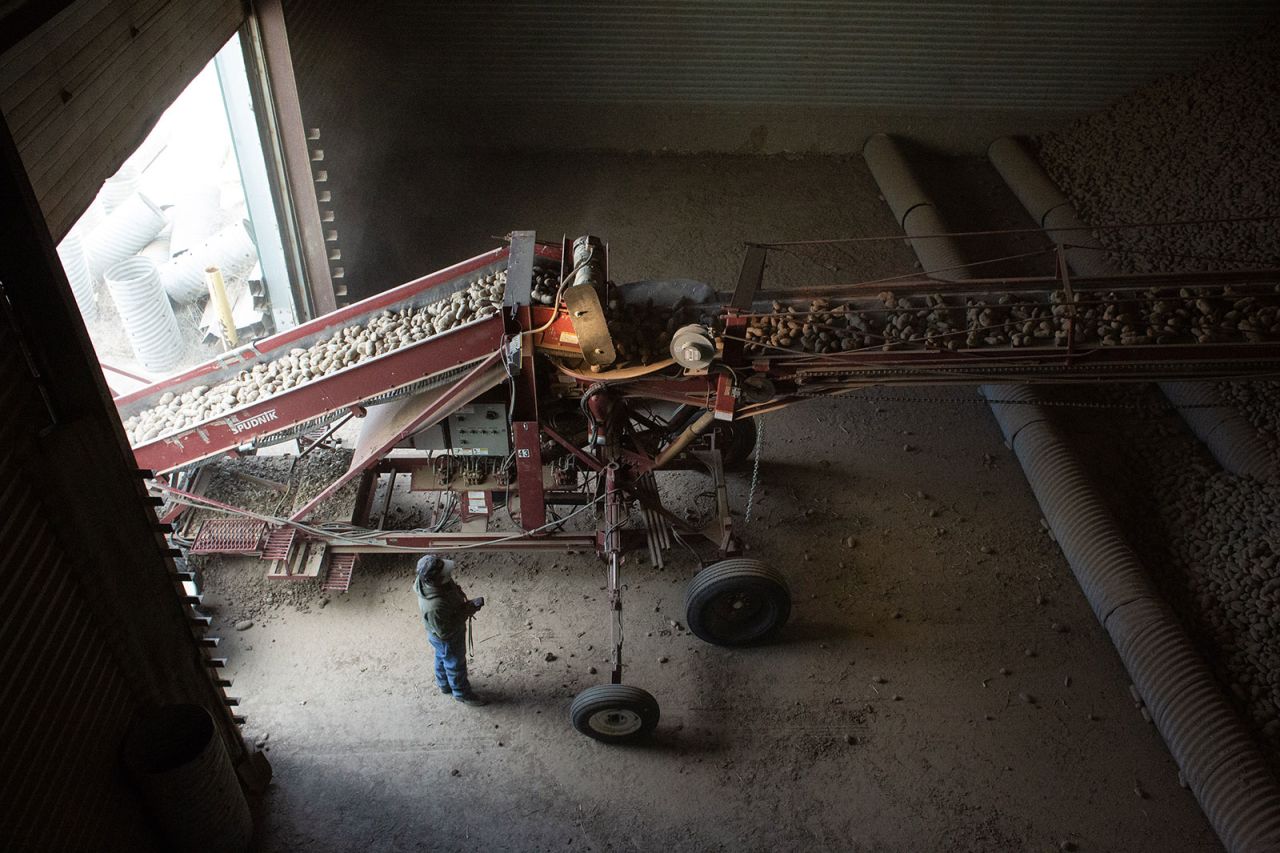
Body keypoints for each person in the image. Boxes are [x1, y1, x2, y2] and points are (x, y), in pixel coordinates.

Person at [413, 554, 487, 706]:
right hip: (447, 638)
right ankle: (461, 694)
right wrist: (468, 609)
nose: (449, 574)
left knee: (442, 657)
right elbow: (446, 631)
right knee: (455, 664)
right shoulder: (433, 606)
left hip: (438, 635)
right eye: (445, 574)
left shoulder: (429, 582)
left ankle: (444, 685)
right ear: (437, 579)